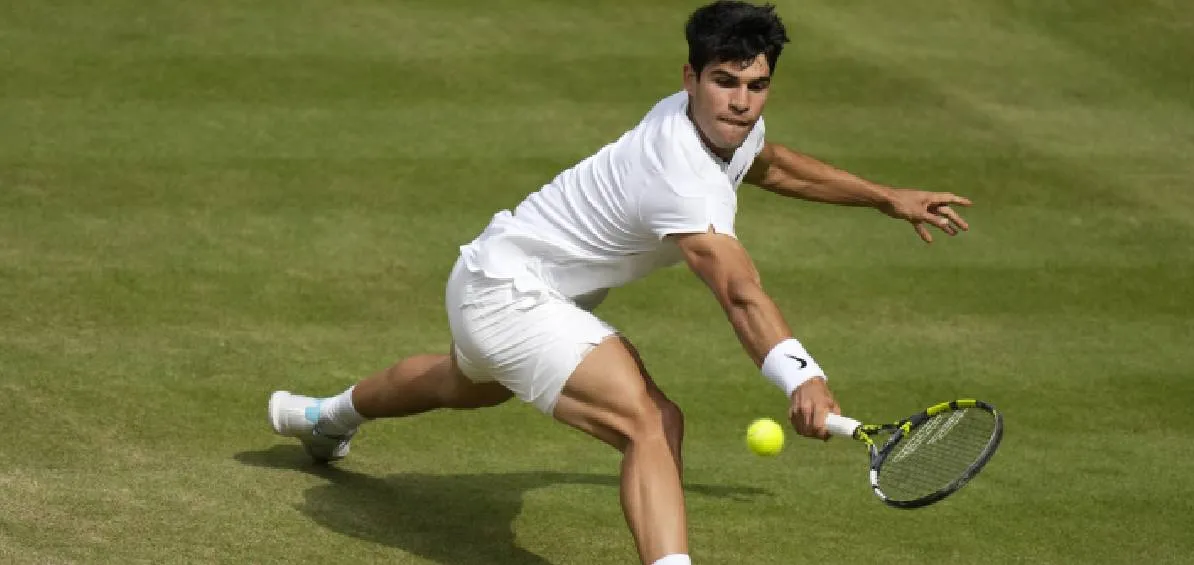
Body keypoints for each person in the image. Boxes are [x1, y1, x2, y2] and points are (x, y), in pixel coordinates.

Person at [267, 2, 971, 564]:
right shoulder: (681, 175)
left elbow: (772, 164)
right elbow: (737, 289)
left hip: (491, 274)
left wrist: (885, 196)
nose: (742, 103)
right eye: (725, 83)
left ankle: (322, 417)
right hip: (511, 293)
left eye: (757, 86)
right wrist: (801, 377)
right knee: (652, 422)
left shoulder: (719, 126)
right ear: (690, 77)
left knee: (463, 382)